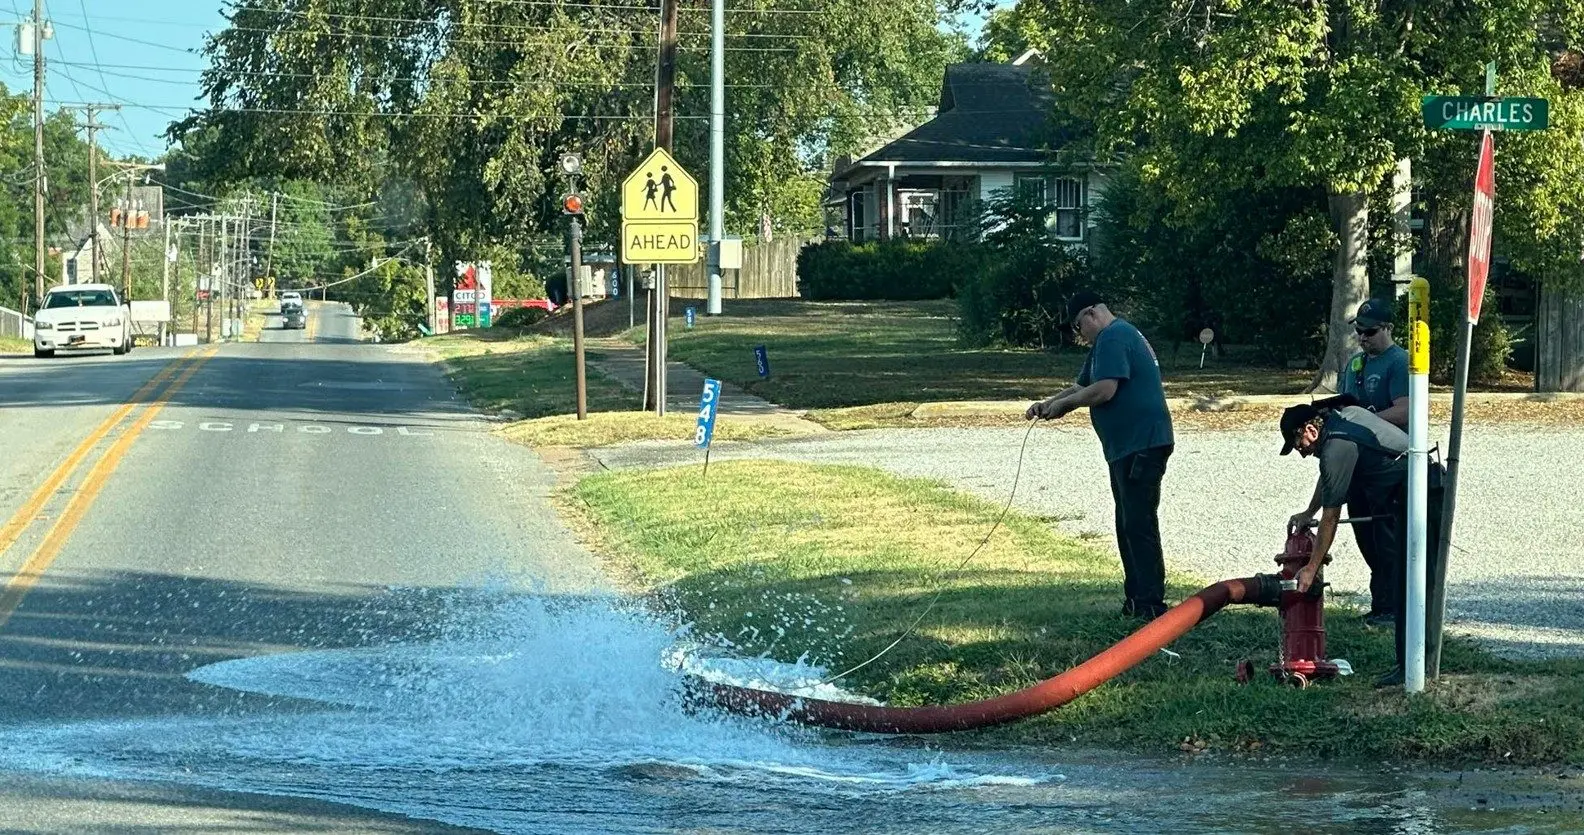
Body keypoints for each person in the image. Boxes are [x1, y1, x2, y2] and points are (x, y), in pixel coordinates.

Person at [1027, 291, 1175, 620]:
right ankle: (1136, 600)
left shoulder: (1114, 336)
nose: (1080, 335)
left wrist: (1064, 406)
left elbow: (1105, 390)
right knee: (1126, 522)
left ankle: (1150, 605)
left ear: (1092, 314)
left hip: (1142, 443)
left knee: (1138, 522)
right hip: (1127, 446)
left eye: (1079, 326)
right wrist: (1050, 403)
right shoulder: (1106, 343)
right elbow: (1082, 387)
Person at [1281, 395, 1441, 687]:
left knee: (1411, 585)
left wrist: (1312, 568)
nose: (1302, 454)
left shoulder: (1336, 446)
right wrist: (1308, 512)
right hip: (1420, 489)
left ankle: (1414, 668)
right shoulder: (1347, 418)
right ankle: (1416, 665)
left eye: (1299, 446)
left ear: (1310, 431)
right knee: (1409, 582)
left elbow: (1331, 517)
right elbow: (1330, 479)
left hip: (1421, 495)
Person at [1333, 297, 1411, 626]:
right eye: (1359, 332)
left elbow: (1405, 410)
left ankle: (1392, 608)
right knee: (1366, 535)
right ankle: (1381, 605)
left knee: (1387, 537)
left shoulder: (1400, 362)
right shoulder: (1356, 364)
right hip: (1358, 463)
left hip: (1390, 464)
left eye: (1370, 332)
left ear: (1388, 328)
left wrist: (1366, 420)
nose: (1363, 338)